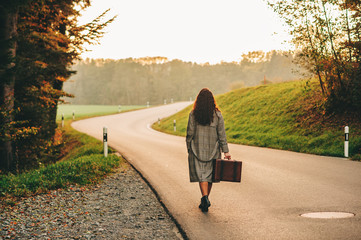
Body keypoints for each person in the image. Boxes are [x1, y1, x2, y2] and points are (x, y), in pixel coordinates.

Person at [186, 88, 231, 212]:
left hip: (197, 149)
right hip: (214, 150)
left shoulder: (193, 114)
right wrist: (226, 151)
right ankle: (205, 198)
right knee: (210, 175)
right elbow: (222, 135)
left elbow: (190, 133)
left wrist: (189, 147)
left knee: (202, 175)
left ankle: (205, 197)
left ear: (198, 101)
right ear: (212, 101)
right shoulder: (218, 115)